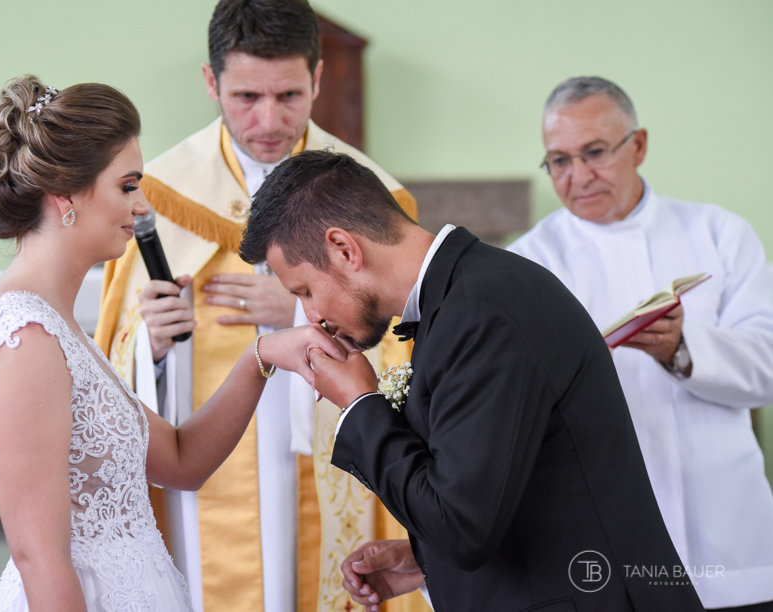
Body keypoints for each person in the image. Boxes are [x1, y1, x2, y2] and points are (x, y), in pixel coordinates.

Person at [239, 149, 706, 612]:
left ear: (344, 249)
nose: (312, 315)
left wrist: (361, 403)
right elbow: (493, 492)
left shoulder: (479, 314)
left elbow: (462, 528)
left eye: (305, 291)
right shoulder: (468, 295)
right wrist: (425, 560)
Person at [0, 75, 343, 612]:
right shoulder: (25, 340)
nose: (142, 207)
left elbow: (183, 462)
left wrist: (263, 358)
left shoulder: (59, 328)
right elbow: (40, 559)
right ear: (64, 193)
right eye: (127, 185)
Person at [94, 2, 420, 611]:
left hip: (324, 458)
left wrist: (301, 312)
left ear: (318, 80)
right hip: (206, 457)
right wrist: (152, 346)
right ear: (211, 82)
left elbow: (408, 348)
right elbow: (112, 355)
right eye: (246, 96)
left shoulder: (372, 196)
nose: (269, 120)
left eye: (290, 95)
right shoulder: (156, 196)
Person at [507, 76, 773, 611]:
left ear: (640, 145)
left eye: (595, 152)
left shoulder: (720, 232)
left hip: (726, 530)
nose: (578, 176)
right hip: (601, 535)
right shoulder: (526, 263)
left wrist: (682, 348)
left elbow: (766, 366)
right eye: (558, 160)